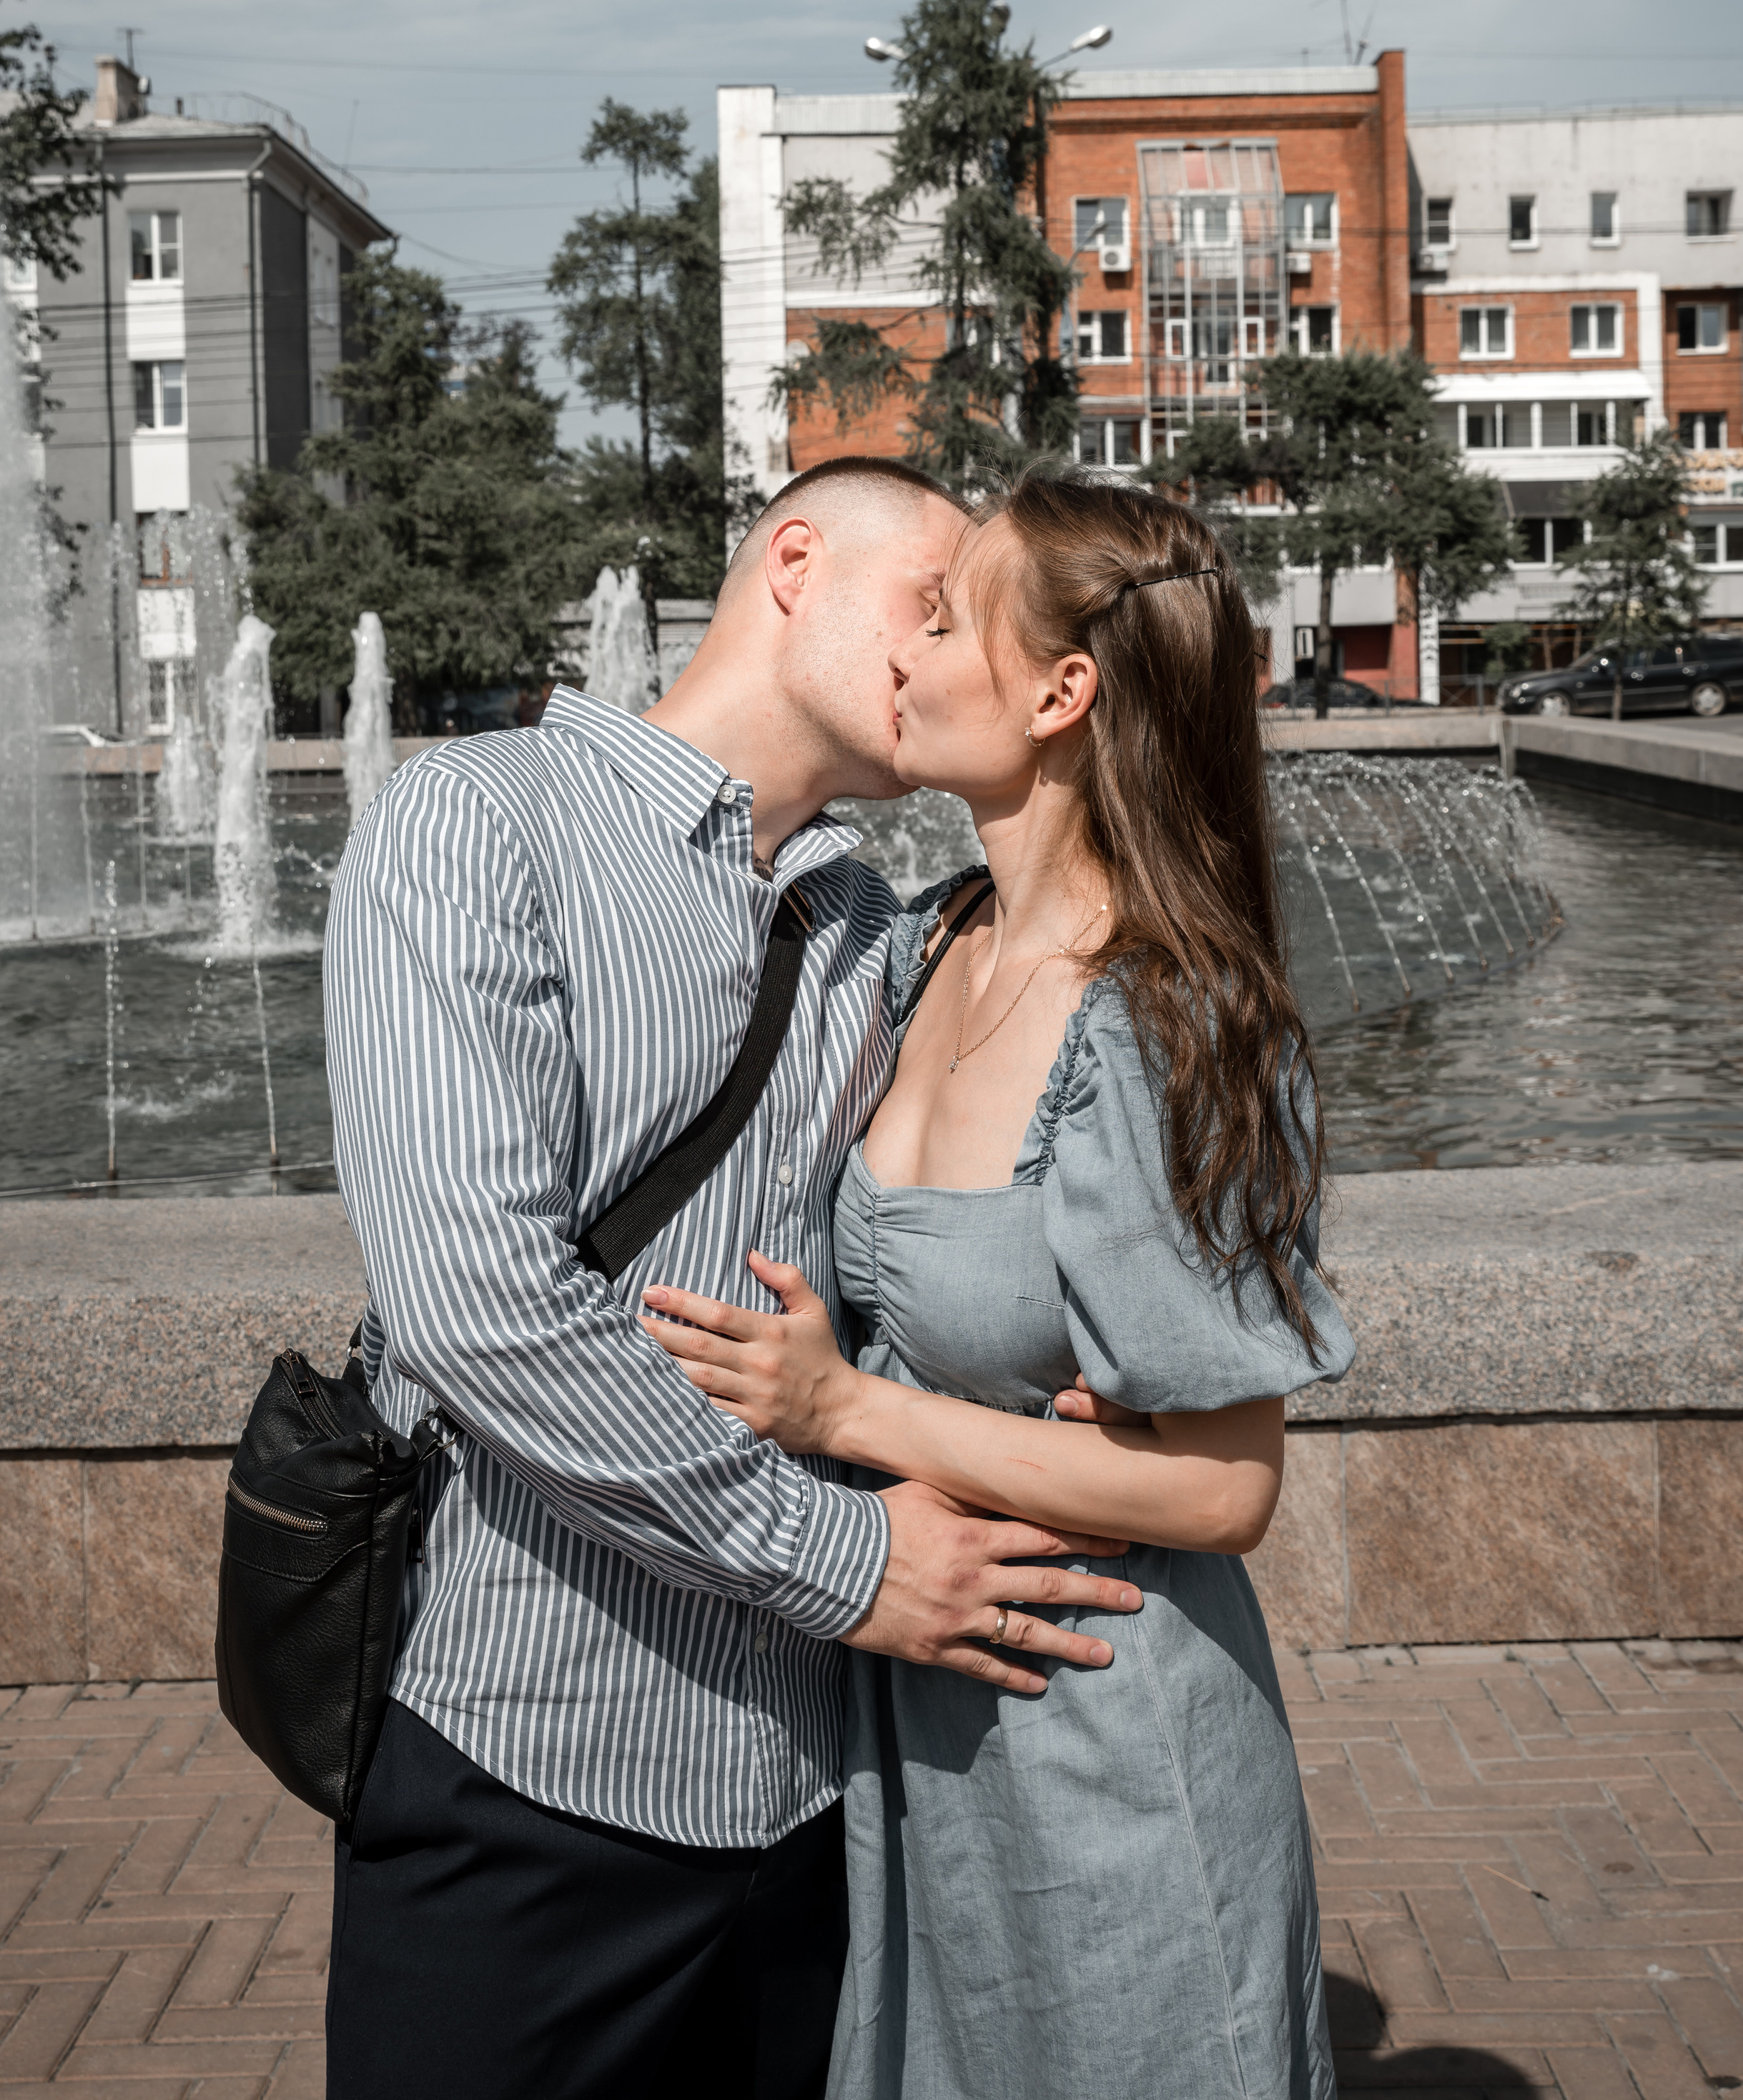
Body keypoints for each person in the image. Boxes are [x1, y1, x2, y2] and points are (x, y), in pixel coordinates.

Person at [319, 455, 1142, 2100]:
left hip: (820, 1791)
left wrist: (1059, 1375)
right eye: (931, 604)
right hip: (533, 1754)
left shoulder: (875, 924)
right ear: (793, 562)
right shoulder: (478, 821)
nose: (951, 652)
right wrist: (843, 1559)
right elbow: (479, 1306)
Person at [641, 472, 1357, 2100]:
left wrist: (848, 1410)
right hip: (920, 1742)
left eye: (945, 619)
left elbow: (1224, 1488)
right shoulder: (919, 944)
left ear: (1058, 693)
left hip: (1104, 1741)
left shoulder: (1167, 1021)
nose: (900, 652)